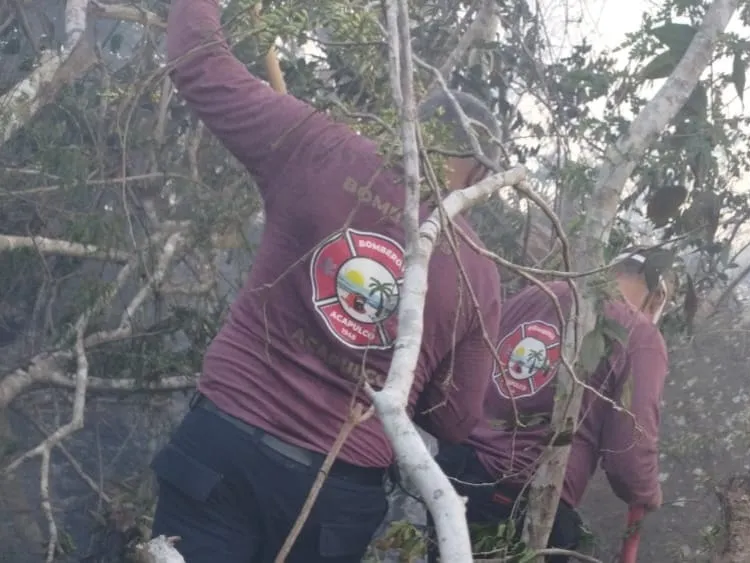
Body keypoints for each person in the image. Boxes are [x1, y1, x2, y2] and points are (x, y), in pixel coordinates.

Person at [150, 0, 504, 561]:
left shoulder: (318, 146)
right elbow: (457, 421)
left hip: (224, 446)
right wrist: (393, 369)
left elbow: (197, 62)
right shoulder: (477, 272)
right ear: (482, 174)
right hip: (334, 497)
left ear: (410, 123)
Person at [427, 250, 670, 562]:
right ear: (658, 296)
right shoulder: (639, 334)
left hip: (454, 474)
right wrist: (646, 493)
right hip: (522, 499)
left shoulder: (538, 295)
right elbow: (629, 452)